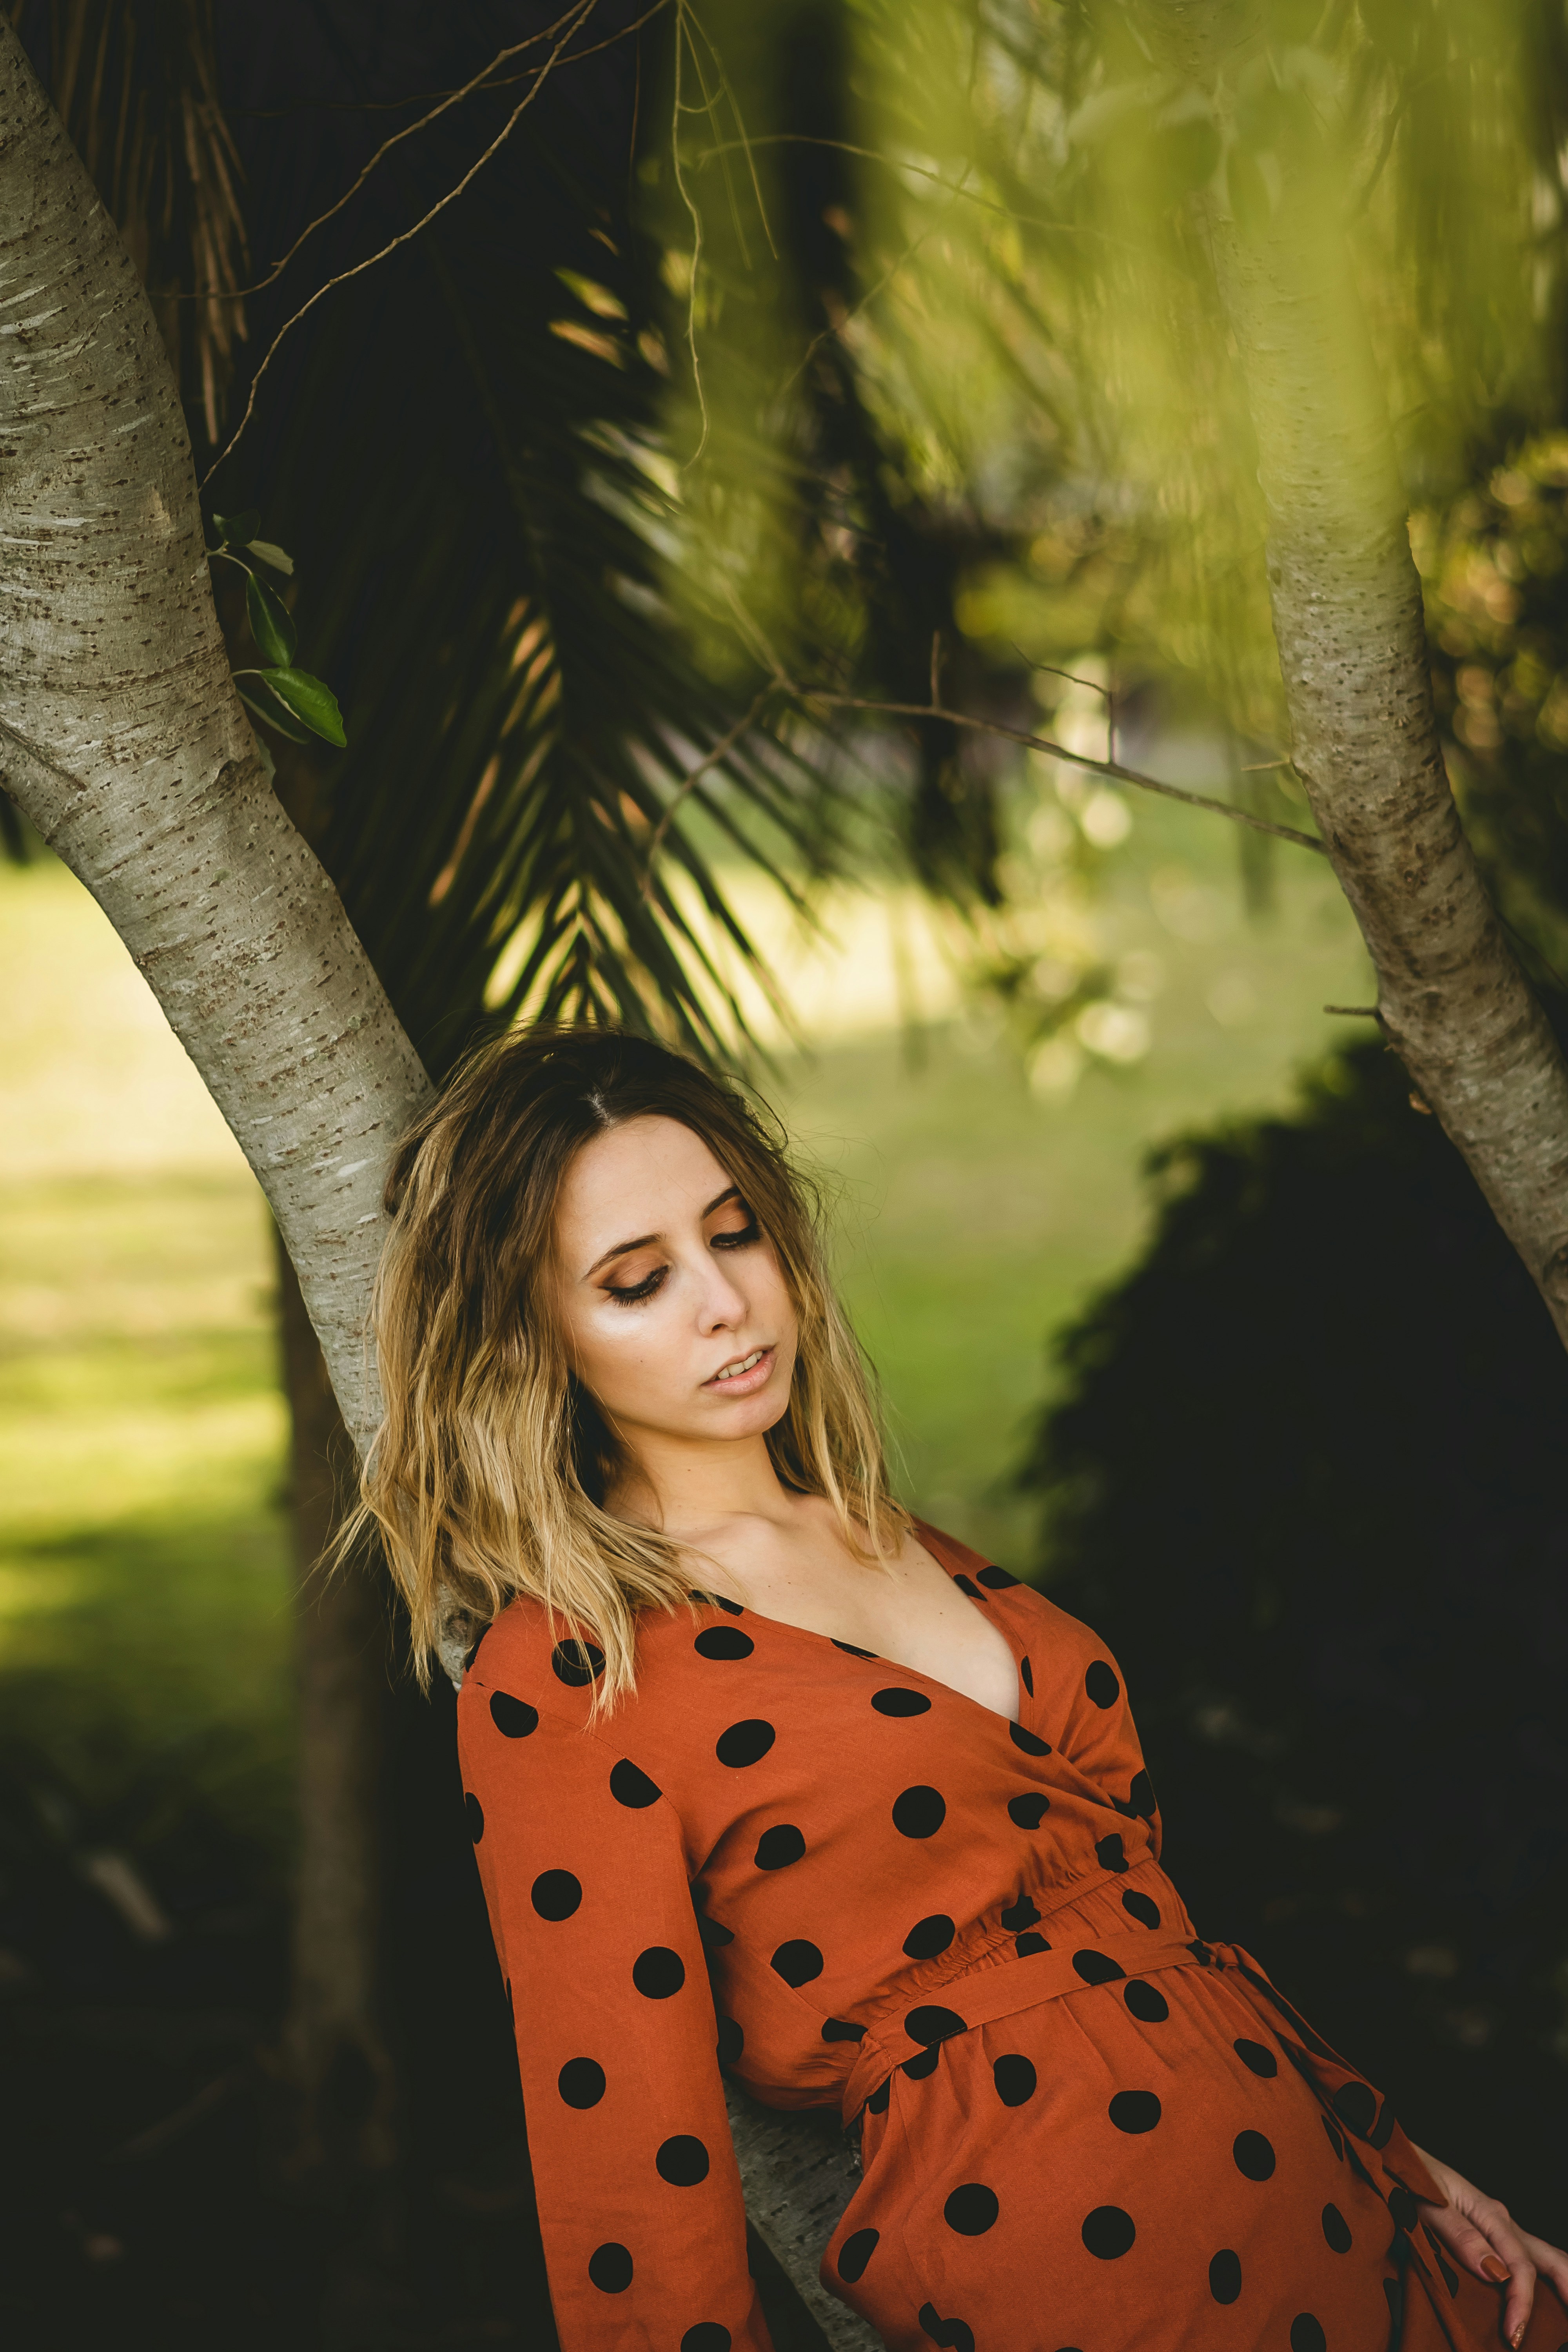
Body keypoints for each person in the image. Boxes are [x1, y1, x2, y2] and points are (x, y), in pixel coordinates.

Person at [350, 1026, 1568, 2352]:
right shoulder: (576, 1664)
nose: (724, 1302)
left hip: (1331, 2199)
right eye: (639, 1282)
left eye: (735, 1234)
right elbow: (625, 2162)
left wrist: (1398, 2158)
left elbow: (1144, 1927)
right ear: (537, 1340)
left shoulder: (906, 1542)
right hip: (1085, 2273)